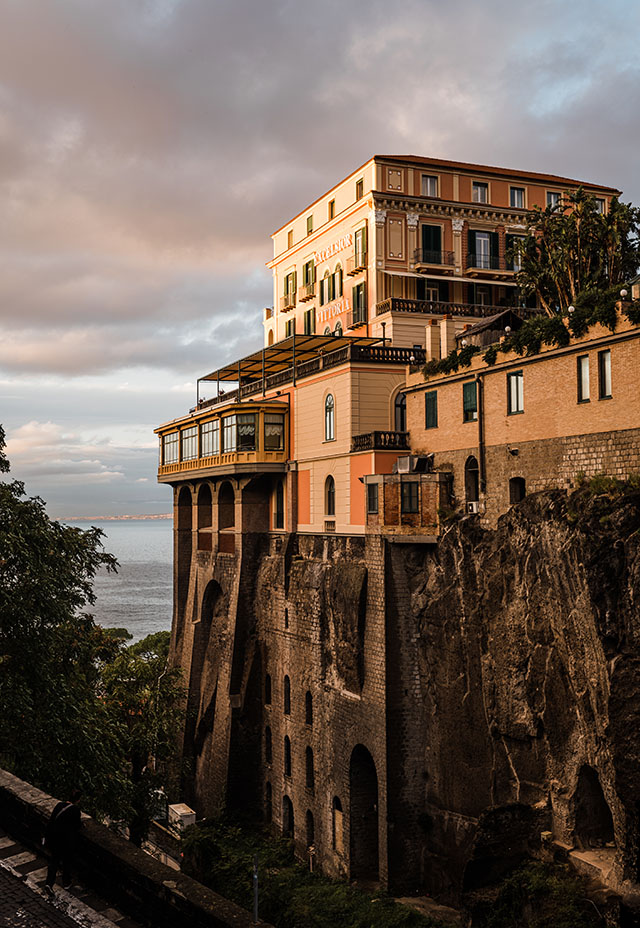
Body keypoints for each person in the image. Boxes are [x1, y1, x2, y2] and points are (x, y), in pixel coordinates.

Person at [44, 789, 82, 893]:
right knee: (67, 862)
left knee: (54, 861)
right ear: (78, 799)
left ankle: (49, 883)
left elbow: (51, 820)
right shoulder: (75, 810)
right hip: (66, 841)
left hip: (54, 838)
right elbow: (77, 825)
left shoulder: (59, 805)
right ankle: (66, 882)